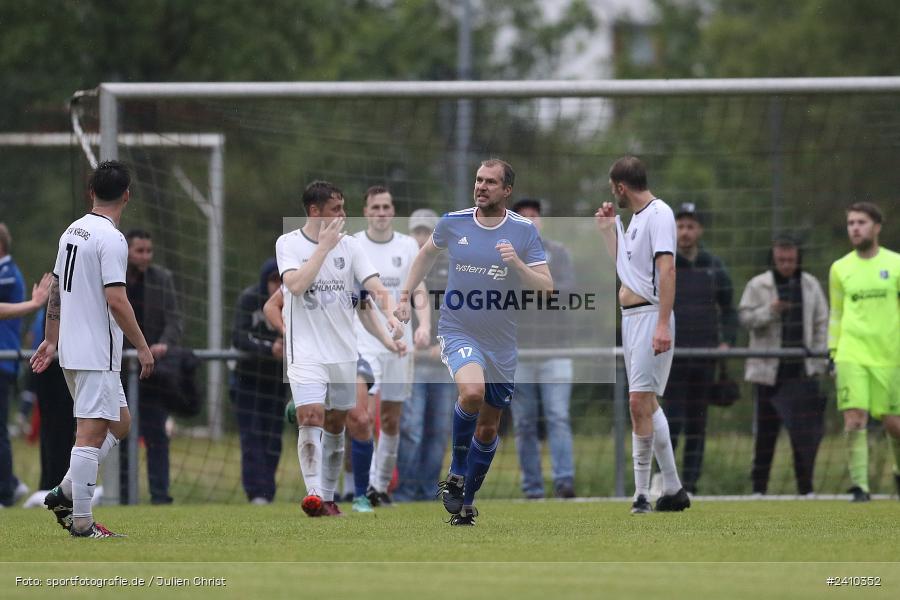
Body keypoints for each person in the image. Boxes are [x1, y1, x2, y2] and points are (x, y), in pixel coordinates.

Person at [395, 158, 553, 526]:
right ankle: (455, 471)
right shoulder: (453, 222)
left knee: (488, 428)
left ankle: (466, 501)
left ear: (507, 190)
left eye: (490, 182)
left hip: (502, 342)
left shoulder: (523, 231)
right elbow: (424, 256)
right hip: (458, 330)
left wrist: (518, 265)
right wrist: (404, 296)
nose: (481, 186)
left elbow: (547, 288)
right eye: (479, 180)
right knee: (471, 392)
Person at [31, 160, 155, 537]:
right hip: (96, 352)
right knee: (89, 433)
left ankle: (66, 490)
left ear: (91, 193)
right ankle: (83, 523)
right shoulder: (111, 238)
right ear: (127, 196)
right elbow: (116, 299)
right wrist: (143, 347)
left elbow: (56, 288)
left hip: (73, 349)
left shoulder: (73, 230)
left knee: (120, 422)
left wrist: (51, 339)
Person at [275, 180, 403, 517]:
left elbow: (374, 287)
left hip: (344, 353)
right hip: (305, 352)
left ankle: (329, 499)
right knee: (310, 416)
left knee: (336, 423)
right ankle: (314, 494)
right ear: (314, 211)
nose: (343, 215)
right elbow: (296, 286)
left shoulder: (351, 247)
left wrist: (391, 315)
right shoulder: (288, 243)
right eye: (336, 209)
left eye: (344, 208)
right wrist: (322, 248)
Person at [594, 156, 690, 514]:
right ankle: (674, 489)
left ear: (621, 187)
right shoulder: (634, 219)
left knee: (638, 402)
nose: (613, 195)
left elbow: (668, 271)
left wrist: (663, 323)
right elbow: (627, 269)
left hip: (651, 316)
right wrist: (608, 231)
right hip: (631, 319)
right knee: (647, 403)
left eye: (613, 189)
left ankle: (640, 494)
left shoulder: (659, 214)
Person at [264, 284, 404, 512]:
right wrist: (287, 332)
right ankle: (319, 494)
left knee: (360, 419)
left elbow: (366, 310)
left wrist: (388, 341)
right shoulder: (301, 272)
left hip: (349, 355)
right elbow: (271, 306)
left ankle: (361, 496)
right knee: (321, 419)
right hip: (311, 358)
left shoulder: (353, 271)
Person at [350, 186, 429, 512]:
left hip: (400, 343)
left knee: (392, 419)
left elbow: (419, 288)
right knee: (363, 416)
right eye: (375, 207)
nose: (381, 213)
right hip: (365, 341)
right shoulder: (354, 244)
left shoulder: (407, 245)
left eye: (386, 207)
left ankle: (380, 487)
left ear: (393, 211)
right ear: (366, 211)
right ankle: (360, 487)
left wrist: (424, 326)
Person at [739, 235, 828, 495]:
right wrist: (770, 311)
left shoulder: (810, 285)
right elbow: (744, 318)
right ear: (774, 259)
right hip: (768, 373)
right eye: (781, 260)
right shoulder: (758, 285)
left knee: (804, 436)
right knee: (765, 435)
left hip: (802, 372)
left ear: (798, 258)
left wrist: (819, 359)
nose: (786, 264)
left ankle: (806, 489)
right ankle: (759, 489)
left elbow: (822, 323)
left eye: (791, 260)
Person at [661, 203, 737, 495]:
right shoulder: (666, 264)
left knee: (697, 425)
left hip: (705, 358)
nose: (685, 232)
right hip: (672, 357)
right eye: (680, 226)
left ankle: (691, 484)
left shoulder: (714, 267)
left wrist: (727, 341)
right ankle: (665, 481)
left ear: (700, 230)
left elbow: (729, 309)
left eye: (690, 226)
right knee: (671, 423)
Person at [828, 202, 900, 502]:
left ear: (877, 227)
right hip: (851, 353)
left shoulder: (895, 264)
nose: (855, 228)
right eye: (851, 223)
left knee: (894, 424)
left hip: (890, 355)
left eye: (861, 222)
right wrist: (833, 352)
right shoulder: (840, 268)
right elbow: (836, 313)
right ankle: (860, 486)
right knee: (855, 418)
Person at [509, 198, 576, 499]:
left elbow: (567, 293)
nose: (530, 220)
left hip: (556, 350)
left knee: (558, 417)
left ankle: (564, 483)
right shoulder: (503, 257)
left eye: (534, 216)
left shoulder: (559, 253)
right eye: (523, 216)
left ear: (542, 221)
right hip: (518, 353)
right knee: (524, 424)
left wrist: (535, 284)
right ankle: (532, 488)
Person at [394, 208, 455, 503]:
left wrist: (442, 346)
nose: (420, 237)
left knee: (439, 431)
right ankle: (405, 491)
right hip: (411, 362)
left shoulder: (453, 268)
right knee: (411, 429)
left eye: (426, 232)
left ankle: (428, 490)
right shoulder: (399, 268)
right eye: (416, 231)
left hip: (444, 363)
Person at [121, 229, 183, 505]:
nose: (145, 256)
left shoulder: (162, 279)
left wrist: (163, 345)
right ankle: (122, 493)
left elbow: (174, 320)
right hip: (120, 370)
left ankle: (160, 495)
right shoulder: (115, 278)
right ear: (127, 252)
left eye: (149, 251)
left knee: (157, 433)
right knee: (120, 433)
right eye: (139, 251)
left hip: (152, 371)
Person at [1, 223, 51, 508]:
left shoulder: (7, 274)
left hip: (3, 361)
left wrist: (33, 305)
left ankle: (5, 492)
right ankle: (10, 483)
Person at [231, 258, 288, 504]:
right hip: (247, 380)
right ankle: (256, 492)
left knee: (273, 438)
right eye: (273, 280)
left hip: (275, 381)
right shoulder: (249, 299)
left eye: (281, 280)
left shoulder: (293, 300)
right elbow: (239, 337)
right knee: (251, 436)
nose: (277, 286)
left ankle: (267, 491)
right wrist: (269, 348)